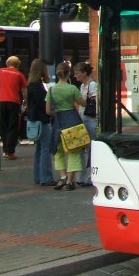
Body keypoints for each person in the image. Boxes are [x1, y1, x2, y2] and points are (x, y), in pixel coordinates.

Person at [46, 62, 86, 191]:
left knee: (58, 152)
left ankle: (62, 178)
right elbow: (83, 103)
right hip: (72, 120)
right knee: (74, 151)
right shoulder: (72, 88)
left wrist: (58, 113)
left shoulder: (51, 90)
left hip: (58, 122)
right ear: (68, 74)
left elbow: (48, 111)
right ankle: (69, 181)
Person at [0, 55, 28, 160]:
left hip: (1, 102)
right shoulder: (19, 74)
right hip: (14, 103)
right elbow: (24, 91)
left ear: (7, 63)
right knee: (13, 127)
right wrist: (26, 103)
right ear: (18, 65)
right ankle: (9, 152)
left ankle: (5, 150)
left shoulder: (0, 71)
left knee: (4, 126)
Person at [27, 59, 56, 186]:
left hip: (34, 120)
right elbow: (44, 105)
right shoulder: (39, 87)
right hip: (42, 120)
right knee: (45, 149)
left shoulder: (31, 85)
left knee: (39, 149)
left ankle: (38, 176)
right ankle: (46, 177)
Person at [73, 62, 97, 187]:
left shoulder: (92, 85)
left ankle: (90, 176)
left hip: (91, 119)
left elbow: (95, 102)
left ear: (84, 73)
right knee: (84, 147)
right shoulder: (82, 85)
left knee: (91, 148)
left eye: (77, 73)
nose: (75, 75)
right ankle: (82, 176)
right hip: (83, 118)